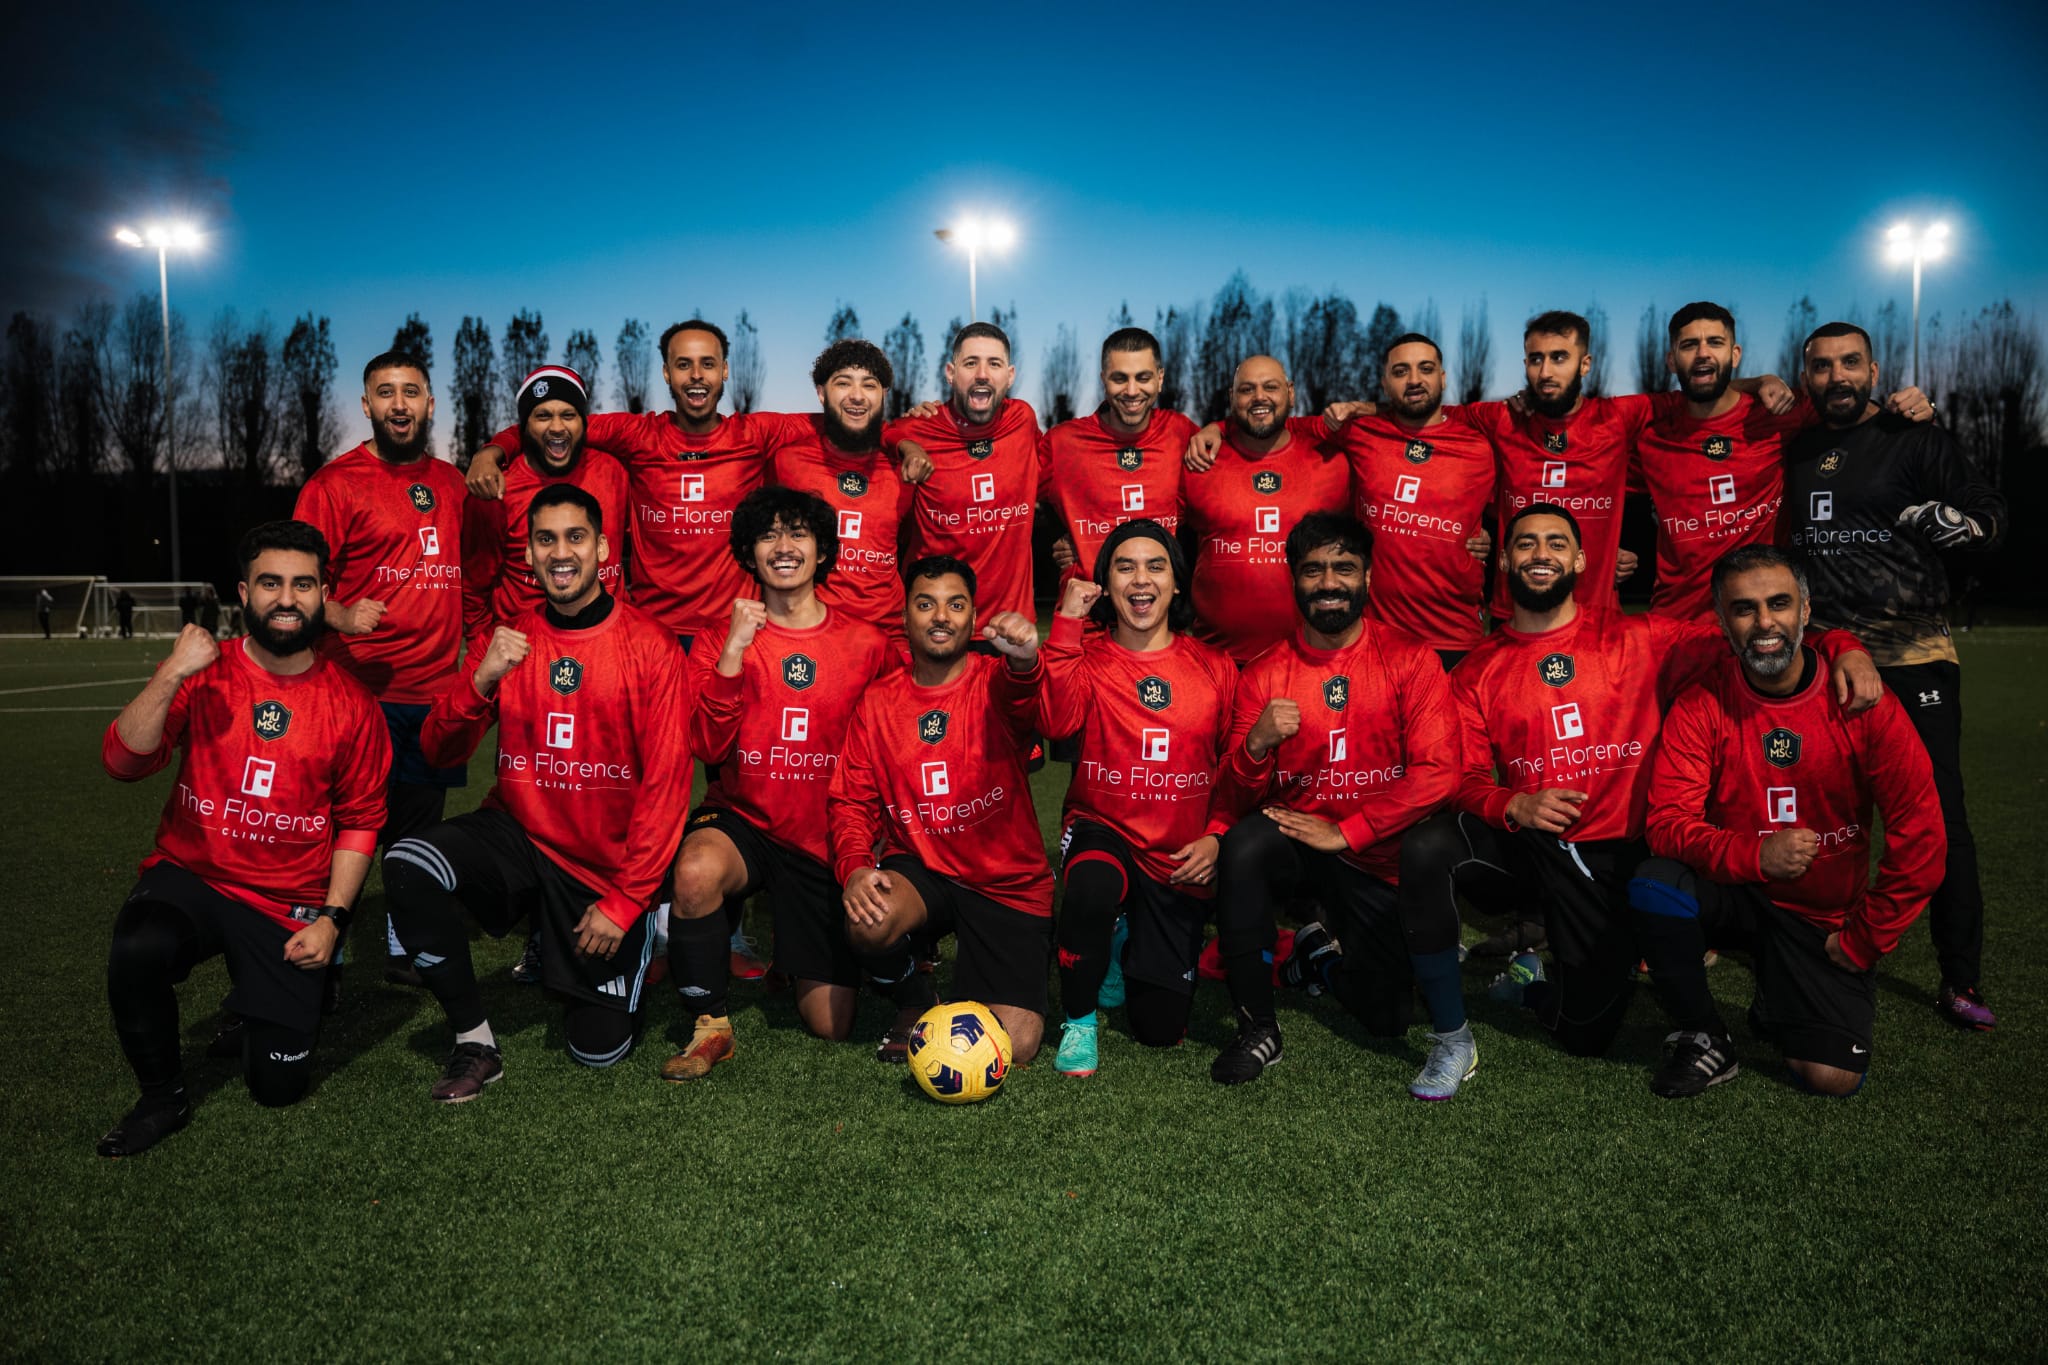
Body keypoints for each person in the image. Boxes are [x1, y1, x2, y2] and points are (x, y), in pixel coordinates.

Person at [1442, 504, 1881, 1061]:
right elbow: (1464, 777)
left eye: (1556, 542)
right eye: (1525, 543)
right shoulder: (1478, 668)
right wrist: (1514, 803)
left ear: (1580, 558)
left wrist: (1843, 642)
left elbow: (1760, 632)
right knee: (1585, 1036)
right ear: (1504, 559)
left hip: (1656, 851)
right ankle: (1537, 983)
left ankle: (1756, 992)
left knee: (1725, 891)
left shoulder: (1644, 637)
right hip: (1565, 857)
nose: (1541, 554)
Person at [383, 485, 691, 1101]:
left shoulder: (651, 647)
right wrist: (481, 680)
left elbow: (667, 788)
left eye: (575, 537)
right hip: (520, 835)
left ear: (603, 547)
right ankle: (476, 1042)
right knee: (408, 865)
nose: (560, 553)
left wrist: (626, 901)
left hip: (600, 870)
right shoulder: (509, 640)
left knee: (597, 1052)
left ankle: (600, 938)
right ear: (527, 552)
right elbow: (440, 752)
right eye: (545, 539)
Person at [96, 520, 390, 1155]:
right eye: (271, 583)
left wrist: (333, 920)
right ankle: (162, 1097)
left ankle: (260, 1004)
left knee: (277, 1086)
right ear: (243, 592)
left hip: (285, 900)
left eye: (303, 584)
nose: (287, 598)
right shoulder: (205, 672)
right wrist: (173, 671)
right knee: (138, 947)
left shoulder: (352, 705)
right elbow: (121, 762)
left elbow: (361, 821)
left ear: (323, 594)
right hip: (193, 873)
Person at [1631, 546, 1944, 1096]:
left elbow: (1922, 838)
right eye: (1744, 609)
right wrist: (1756, 855)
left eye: (1779, 604)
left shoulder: (1863, 701)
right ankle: (1704, 1037)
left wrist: (1863, 941)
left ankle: (1779, 993)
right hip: (1739, 891)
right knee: (1656, 883)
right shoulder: (1702, 703)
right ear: (1723, 618)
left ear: (1805, 610)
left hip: (1821, 917)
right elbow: (1667, 823)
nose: (1764, 622)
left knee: (1830, 1078)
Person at [1781, 321, 2006, 1029]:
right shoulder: (1799, 447)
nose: (1836, 376)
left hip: (1914, 657)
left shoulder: (1919, 438)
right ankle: (1820, 948)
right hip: (1828, 661)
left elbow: (1990, 514)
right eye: (1821, 366)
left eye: (1850, 363)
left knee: (1938, 818)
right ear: (1805, 375)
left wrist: (1963, 527)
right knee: (1827, 818)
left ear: (1875, 372)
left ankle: (1959, 976)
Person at [1206, 513, 1469, 1095]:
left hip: (1372, 855)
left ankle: (1317, 954)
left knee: (1389, 1017)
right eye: (1313, 570)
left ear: (1368, 578)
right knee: (1246, 844)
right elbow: (1234, 795)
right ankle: (1256, 1027)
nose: (1328, 582)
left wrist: (1349, 831)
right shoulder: (1267, 672)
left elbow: (1439, 774)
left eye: (1343, 568)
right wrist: (1254, 746)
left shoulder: (1411, 659)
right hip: (1297, 845)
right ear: (1293, 581)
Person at [662, 487, 893, 1078]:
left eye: (798, 534)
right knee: (694, 872)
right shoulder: (719, 638)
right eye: (768, 535)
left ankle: (807, 955)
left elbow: (897, 741)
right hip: (745, 819)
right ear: (748, 551)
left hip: (826, 830)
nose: (784, 547)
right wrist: (736, 649)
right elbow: (707, 748)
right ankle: (710, 1026)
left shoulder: (867, 643)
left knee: (832, 1023)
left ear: (822, 551)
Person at [828, 556, 1055, 1063]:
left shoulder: (996, 682)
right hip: (924, 867)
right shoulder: (877, 703)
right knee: (869, 919)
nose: (940, 617)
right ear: (904, 615)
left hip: (1006, 882)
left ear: (974, 619)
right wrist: (855, 868)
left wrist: (1024, 659)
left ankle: (964, 979)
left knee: (1014, 1047)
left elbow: (1024, 697)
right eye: (925, 604)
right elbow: (851, 801)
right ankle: (915, 996)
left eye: (956, 605)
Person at [292, 350, 470, 992]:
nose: (400, 404)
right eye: (386, 393)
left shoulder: (452, 484)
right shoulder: (333, 485)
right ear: (366, 406)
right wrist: (337, 614)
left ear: (430, 403)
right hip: (355, 689)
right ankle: (317, 945)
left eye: (412, 392)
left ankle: (405, 945)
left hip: (432, 694)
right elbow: (291, 584)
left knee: (416, 822)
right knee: (335, 823)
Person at [1036, 520, 1237, 1076]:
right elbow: (1054, 722)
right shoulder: (1088, 655)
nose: (1140, 579)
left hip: (1177, 855)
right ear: (1105, 584)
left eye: (1156, 566)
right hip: (1103, 825)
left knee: (1159, 1030)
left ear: (1177, 585)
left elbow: (1236, 771)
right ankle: (1078, 1023)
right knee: (1093, 885)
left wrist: (1218, 836)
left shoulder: (1215, 667)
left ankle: (1122, 944)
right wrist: (1067, 624)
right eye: (1124, 567)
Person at [1633, 303, 1931, 621]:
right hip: (1676, 623)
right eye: (1689, 345)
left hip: (1761, 622)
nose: (1703, 353)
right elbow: (1593, 484)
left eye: (1715, 343)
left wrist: (1917, 407)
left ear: (1735, 355)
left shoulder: (1780, 412)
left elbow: (1848, 401)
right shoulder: (1651, 435)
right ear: (1671, 360)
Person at [1328, 333, 1496, 665]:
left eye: (1426, 369)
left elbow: (1509, 511)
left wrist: (1488, 538)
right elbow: (1282, 431)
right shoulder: (1359, 433)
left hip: (1455, 635)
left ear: (1443, 378)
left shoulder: (1479, 448)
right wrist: (1218, 429)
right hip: (1377, 635)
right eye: (1401, 371)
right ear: (1385, 383)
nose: (1415, 380)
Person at [1179, 357, 1348, 663]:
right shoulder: (1200, 461)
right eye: (1247, 389)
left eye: (1271, 387)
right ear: (1231, 397)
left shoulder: (1331, 462)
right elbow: (1153, 520)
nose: (1259, 397)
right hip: (1216, 660)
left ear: (1291, 393)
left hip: (1307, 659)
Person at [462, 365, 631, 657]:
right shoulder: (496, 490)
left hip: (607, 648)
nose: (556, 427)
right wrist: (483, 651)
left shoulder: (614, 472)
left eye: (568, 414)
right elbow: (474, 588)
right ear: (524, 426)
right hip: (528, 652)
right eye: (542, 416)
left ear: (583, 422)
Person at [885, 324, 1043, 623]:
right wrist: (902, 442)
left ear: (1010, 376)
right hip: (937, 625)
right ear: (950, 373)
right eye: (971, 363)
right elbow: (878, 438)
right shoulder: (915, 431)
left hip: (1011, 626)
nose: (982, 373)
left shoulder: (1023, 420)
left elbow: (1055, 480)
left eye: (993, 364)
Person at [759, 340, 916, 640]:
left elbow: (909, 544)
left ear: (883, 395)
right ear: (821, 393)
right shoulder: (788, 462)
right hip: (811, 634)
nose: (857, 396)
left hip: (887, 637)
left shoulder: (903, 467)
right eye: (843, 383)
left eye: (869, 386)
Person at [1038, 328, 1200, 585]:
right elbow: (1009, 505)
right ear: (1103, 379)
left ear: (1160, 379)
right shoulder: (1063, 443)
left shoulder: (1180, 433)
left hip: (1156, 612)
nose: (1132, 390)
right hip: (1087, 616)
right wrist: (1068, 537)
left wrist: (1219, 429)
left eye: (1143, 377)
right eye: (1120, 378)